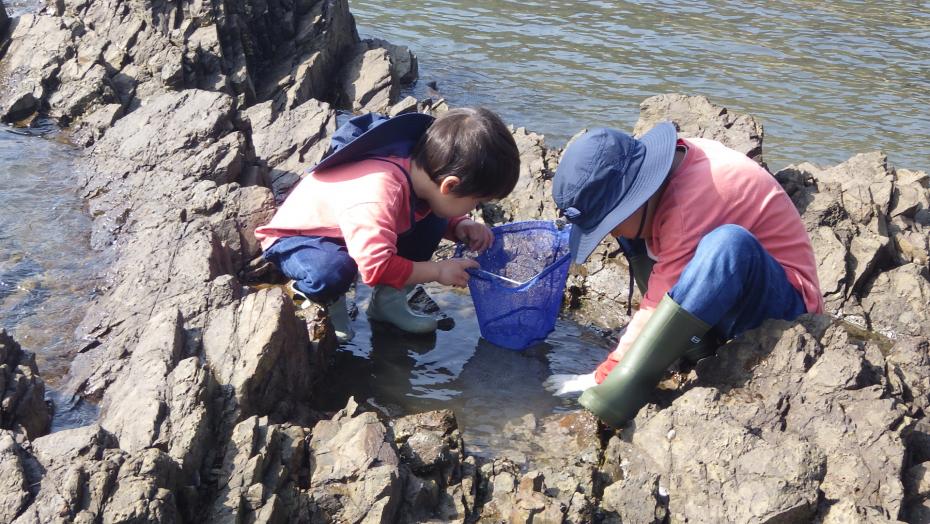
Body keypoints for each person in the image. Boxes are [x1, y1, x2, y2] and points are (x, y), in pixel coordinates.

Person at [544, 122, 822, 427]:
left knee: (729, 244)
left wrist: (603, 375)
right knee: (631, 232)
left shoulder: (691, 202)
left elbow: (658, 299)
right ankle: (685, 346)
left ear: (638, 193)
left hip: (785, 310)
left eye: (609, 223)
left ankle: (622, 391)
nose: (610, 233)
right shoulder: (669, 172)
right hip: (729, 298)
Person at [255, 108, 520, 342]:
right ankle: (315, 297)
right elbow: (376, 268)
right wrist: (438, 271)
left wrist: (460, 224)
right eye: (476, 202)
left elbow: (426, 211)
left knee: (435, 220)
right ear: (449, 185)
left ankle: (388, 302)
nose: (475, 208)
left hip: (355, 230)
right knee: (332, 272)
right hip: (302, 238)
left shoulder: (420, 171)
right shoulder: (379, 192)